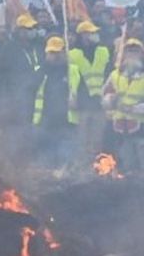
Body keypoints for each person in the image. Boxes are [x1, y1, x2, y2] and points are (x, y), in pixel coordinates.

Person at [101, 38, 144, 173]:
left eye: (135, 51)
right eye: (128, 51)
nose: (131, 54)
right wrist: (111, 100)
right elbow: (106, 95)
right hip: (121, 128)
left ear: (142, 54)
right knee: (126, 167)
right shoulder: (115, 74)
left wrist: (137, 109)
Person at [32, 36, 80, 168]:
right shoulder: (40, 71)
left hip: (66, 122)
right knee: (45, 160)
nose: (55, 56)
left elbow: (83, 93)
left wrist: (77, 101)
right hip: (44, 122)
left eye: (57, 52)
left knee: (65, 161)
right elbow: (29, 91)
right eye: (51, 53)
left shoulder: (73, 71)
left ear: (64, 52)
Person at [68, 20, 111, 158]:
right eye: (91, 33)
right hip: (82, 103)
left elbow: (110, 74)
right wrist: (72, 96)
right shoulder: (72, 54)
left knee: (97, 140)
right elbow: (71, 80)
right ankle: (82, 168)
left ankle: (97, 168)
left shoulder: (104, 51)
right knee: (82, 139)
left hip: (100, 103)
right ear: (83, 35)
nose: (95, 35)